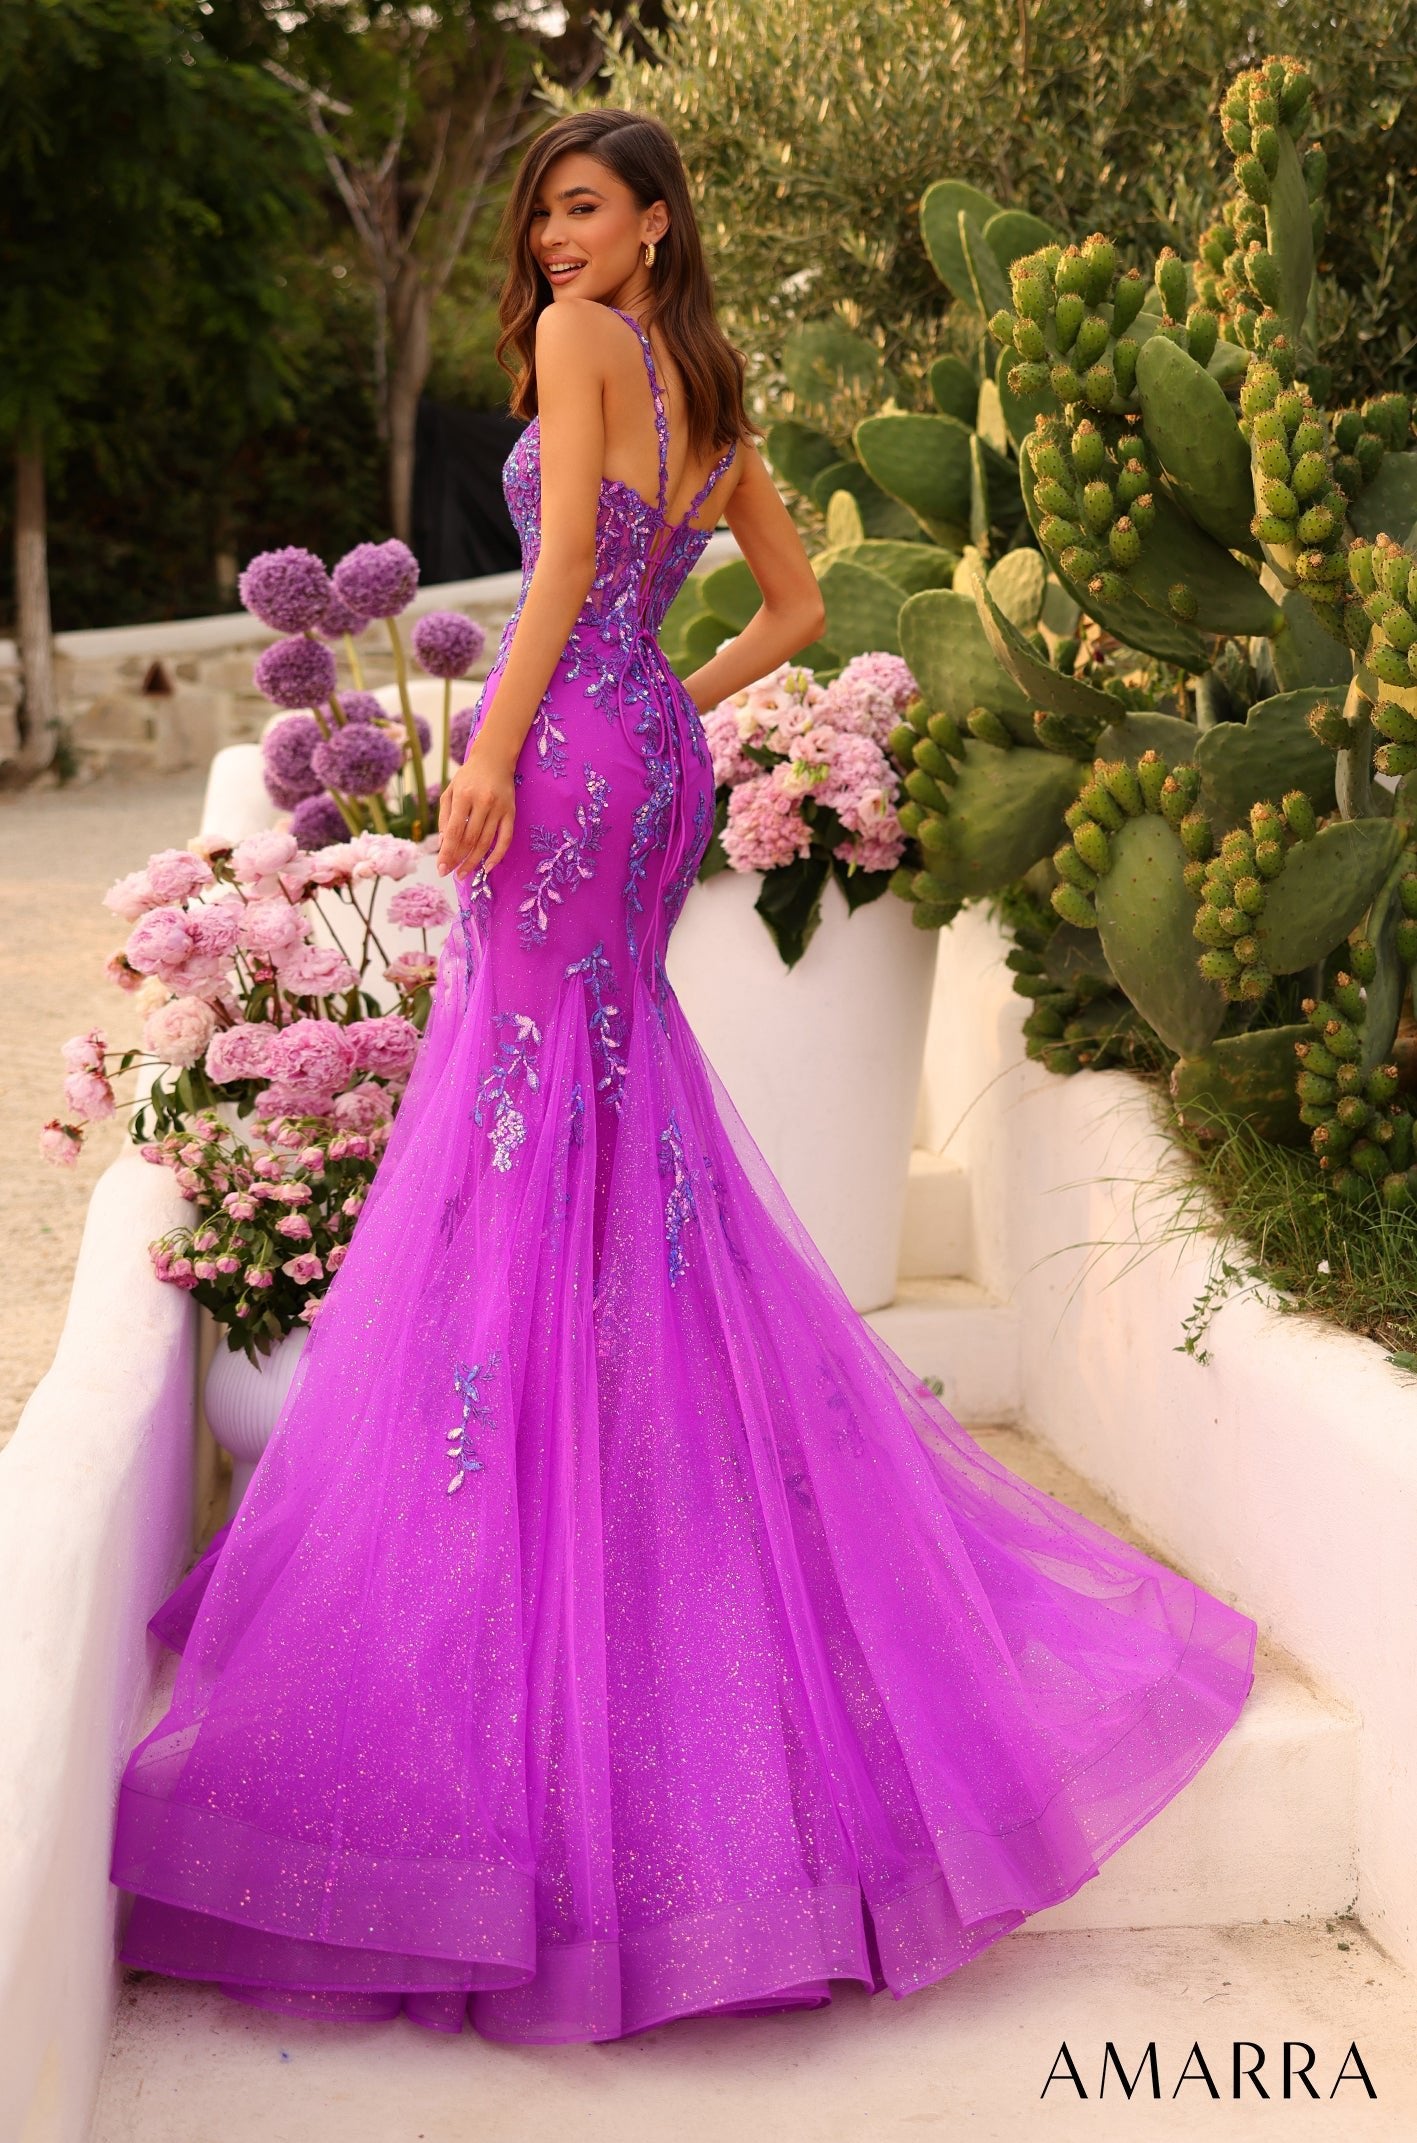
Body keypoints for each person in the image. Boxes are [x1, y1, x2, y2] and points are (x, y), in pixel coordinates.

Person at [110, 108, 1257, 2045]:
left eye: (585, 207)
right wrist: (662, 700)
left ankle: (550, 1510)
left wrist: (495, 741)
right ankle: (637, 1489)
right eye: (543, 211)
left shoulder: (580, 347)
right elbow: (795, 615)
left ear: (653, 221)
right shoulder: (706, 384)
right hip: (646, 768)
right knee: (612, 1119)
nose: (555, 240)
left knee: (525, 1117)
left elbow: (559, 551)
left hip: (563, 757)